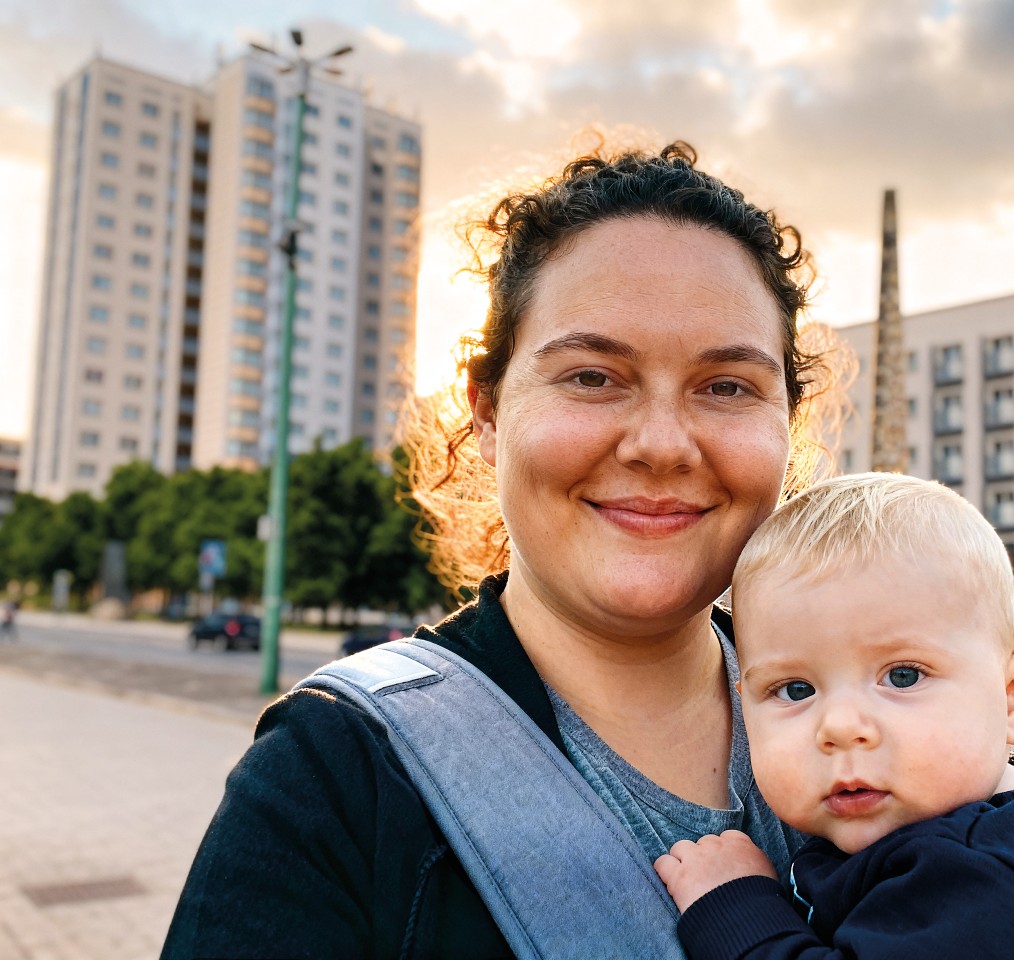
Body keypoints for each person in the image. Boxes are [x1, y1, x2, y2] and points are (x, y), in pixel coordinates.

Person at [162, 140, 829, 958]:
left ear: (785, 427)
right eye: (592, 376)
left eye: (726, 386)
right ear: (485, 412)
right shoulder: (333, 782)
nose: (663, 444)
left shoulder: (903, 716)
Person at [655, 473, 1014, 960]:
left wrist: (735, 906)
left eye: (903, 676)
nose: (839, 727)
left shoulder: (992, 879)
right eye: (795, 689)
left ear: (1012, 697)